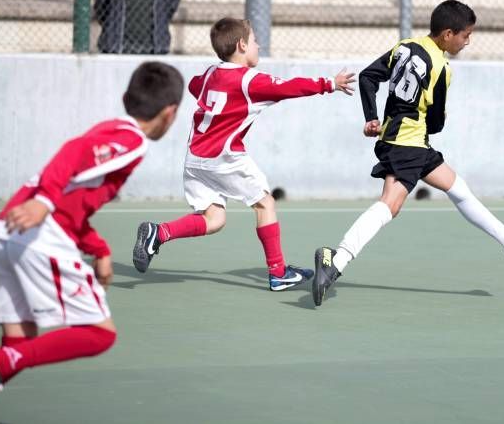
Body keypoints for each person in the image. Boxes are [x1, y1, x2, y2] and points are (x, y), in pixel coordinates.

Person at [0, 62, 184, 424]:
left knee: (20, 341)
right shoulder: (131, 141)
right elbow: (74, 152)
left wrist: (99, 249)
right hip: (38, 235)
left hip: (5, 231)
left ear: (127, 98)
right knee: (99, 334)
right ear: (170, 113)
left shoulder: (110, 129)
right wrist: (44, 201)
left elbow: (74, 201)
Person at [312, 0, 504, 307]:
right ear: (448, 34)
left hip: (403, 141)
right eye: (465, 35)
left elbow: (368, 77)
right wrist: (440, 117)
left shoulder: (404, 47)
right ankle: (337, 261)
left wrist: (371, 117)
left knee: (457, 188)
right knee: (389, 205)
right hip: (409, 143)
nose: (467, 41)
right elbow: (434, 124)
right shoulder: (441, 69)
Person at [131, 17, 355, 291]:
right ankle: (278, 272)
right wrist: (329, 84)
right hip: (224, 158)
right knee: (265, 204)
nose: (259, 45)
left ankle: (159, 233)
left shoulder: (211, 73)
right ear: (241, 45)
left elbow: (194, 85)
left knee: (214, 219)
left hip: (195, 160)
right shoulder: (250, 81)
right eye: (254, 41)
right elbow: (288, 87)